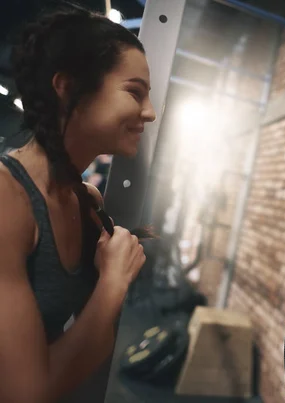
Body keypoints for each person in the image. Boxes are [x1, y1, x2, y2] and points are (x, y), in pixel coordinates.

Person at [0, 5, 156, 402]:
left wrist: (109, 287)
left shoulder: (87, 202)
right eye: (134, 92)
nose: (150, 113)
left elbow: (90, 344)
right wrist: (114, 281)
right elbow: (25, 393)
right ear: (67, 88)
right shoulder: (8, 197)